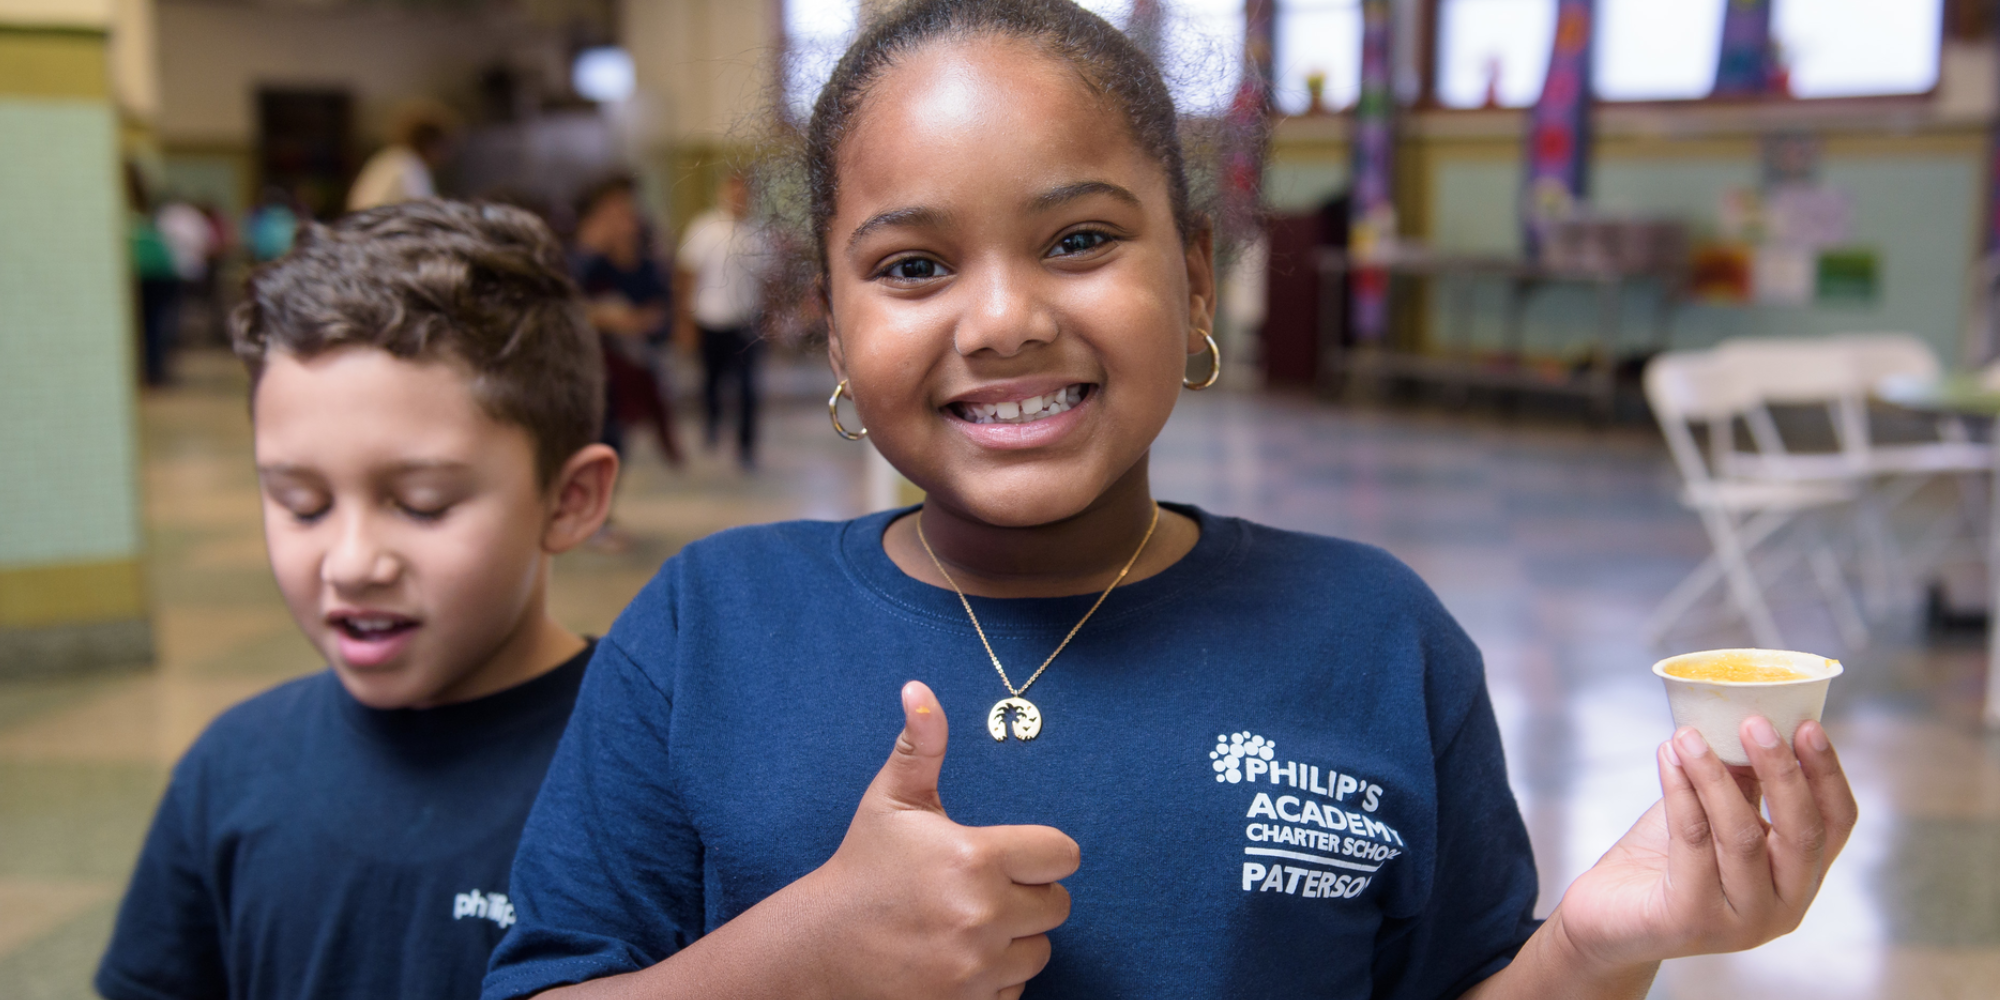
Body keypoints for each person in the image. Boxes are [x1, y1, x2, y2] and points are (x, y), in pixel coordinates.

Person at [482, 3, 1858, 998]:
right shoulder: (707, 628)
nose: (1006, 318)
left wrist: (1595, 947)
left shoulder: (1375, 635)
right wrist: (801, 959)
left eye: (1080, 241)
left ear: (1197, 277)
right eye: (911, 267)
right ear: (832, 325)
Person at [96, 201, 620, 1000]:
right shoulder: (229, 771)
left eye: (421, 503)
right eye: (302, 504)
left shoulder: (641, 775)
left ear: (570, 500)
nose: (350, 563)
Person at [573, 174, 683, 468]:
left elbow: (657, 311)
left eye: (626, 211)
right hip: (591, 369)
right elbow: (568, 306)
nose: (625, 219)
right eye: (615, 211)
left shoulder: (643, 258)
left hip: (625, 367)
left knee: (614, 439)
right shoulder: (582, 257)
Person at [676, 169, 766, 469]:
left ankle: (746, 446)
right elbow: (688, 275)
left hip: (747, 323)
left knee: (748, 388)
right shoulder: (704, 228)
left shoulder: (758, 233)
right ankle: (712, 427)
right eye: (733, 192)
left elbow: (768, 281)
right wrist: (685, 321)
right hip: (711, 319)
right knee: (712, 382)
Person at [347, 110, 455, 212]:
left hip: (360, 222)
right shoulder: (410, 165)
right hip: (377, 226)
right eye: (444, 146)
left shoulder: (392, 156)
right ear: (431, 144)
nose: (446, 155)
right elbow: (422, 210)